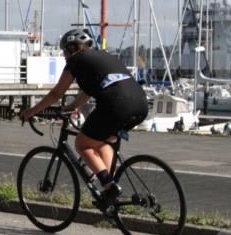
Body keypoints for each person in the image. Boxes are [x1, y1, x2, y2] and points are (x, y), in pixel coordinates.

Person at [20, 29, 148, 208]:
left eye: (64, 50)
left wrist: (30, 112)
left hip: (117, 104)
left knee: (82, 144)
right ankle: (111, 186)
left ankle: (109, 187)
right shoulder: (103, 57)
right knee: (102, 142)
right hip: (141, 104)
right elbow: (89, 91)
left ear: (72, 48)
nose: (64, 55)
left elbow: (56, 92)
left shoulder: (75, 60)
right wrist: (72, 107)